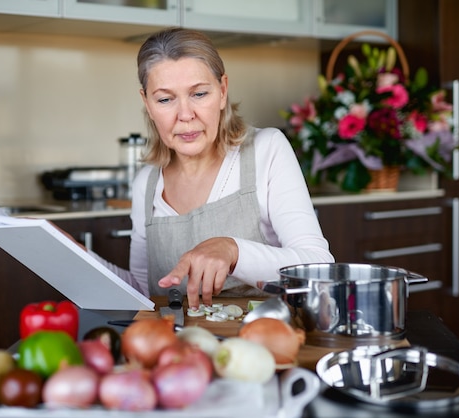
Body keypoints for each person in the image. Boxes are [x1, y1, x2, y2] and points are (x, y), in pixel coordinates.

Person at [92, 27, 334, 310]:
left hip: (262, 344)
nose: (185, 115)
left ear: (222, 91)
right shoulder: (146, 184)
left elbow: (318, 266)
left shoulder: (267, 150)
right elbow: (144, 292)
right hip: (181, 351)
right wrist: (78, 256)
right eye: (165, 99)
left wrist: (233, 250)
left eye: (199, 94)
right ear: (147, 102)